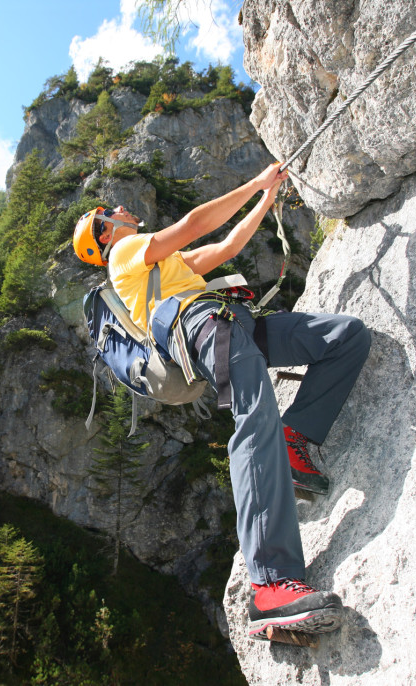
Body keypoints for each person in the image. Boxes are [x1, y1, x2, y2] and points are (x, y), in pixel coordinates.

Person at [71, 162, 371, 638]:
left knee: (344, 336)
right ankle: (270, 585)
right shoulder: (123, 253)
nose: (122, 209)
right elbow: (194, 225)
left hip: (230, 319)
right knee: (256, 415)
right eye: (111, 212)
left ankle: (295, 439)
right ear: (104, 232)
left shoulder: (163, 267)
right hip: (200, 324)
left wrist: (267, 197)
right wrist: (254, 182)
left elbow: (229, 246)